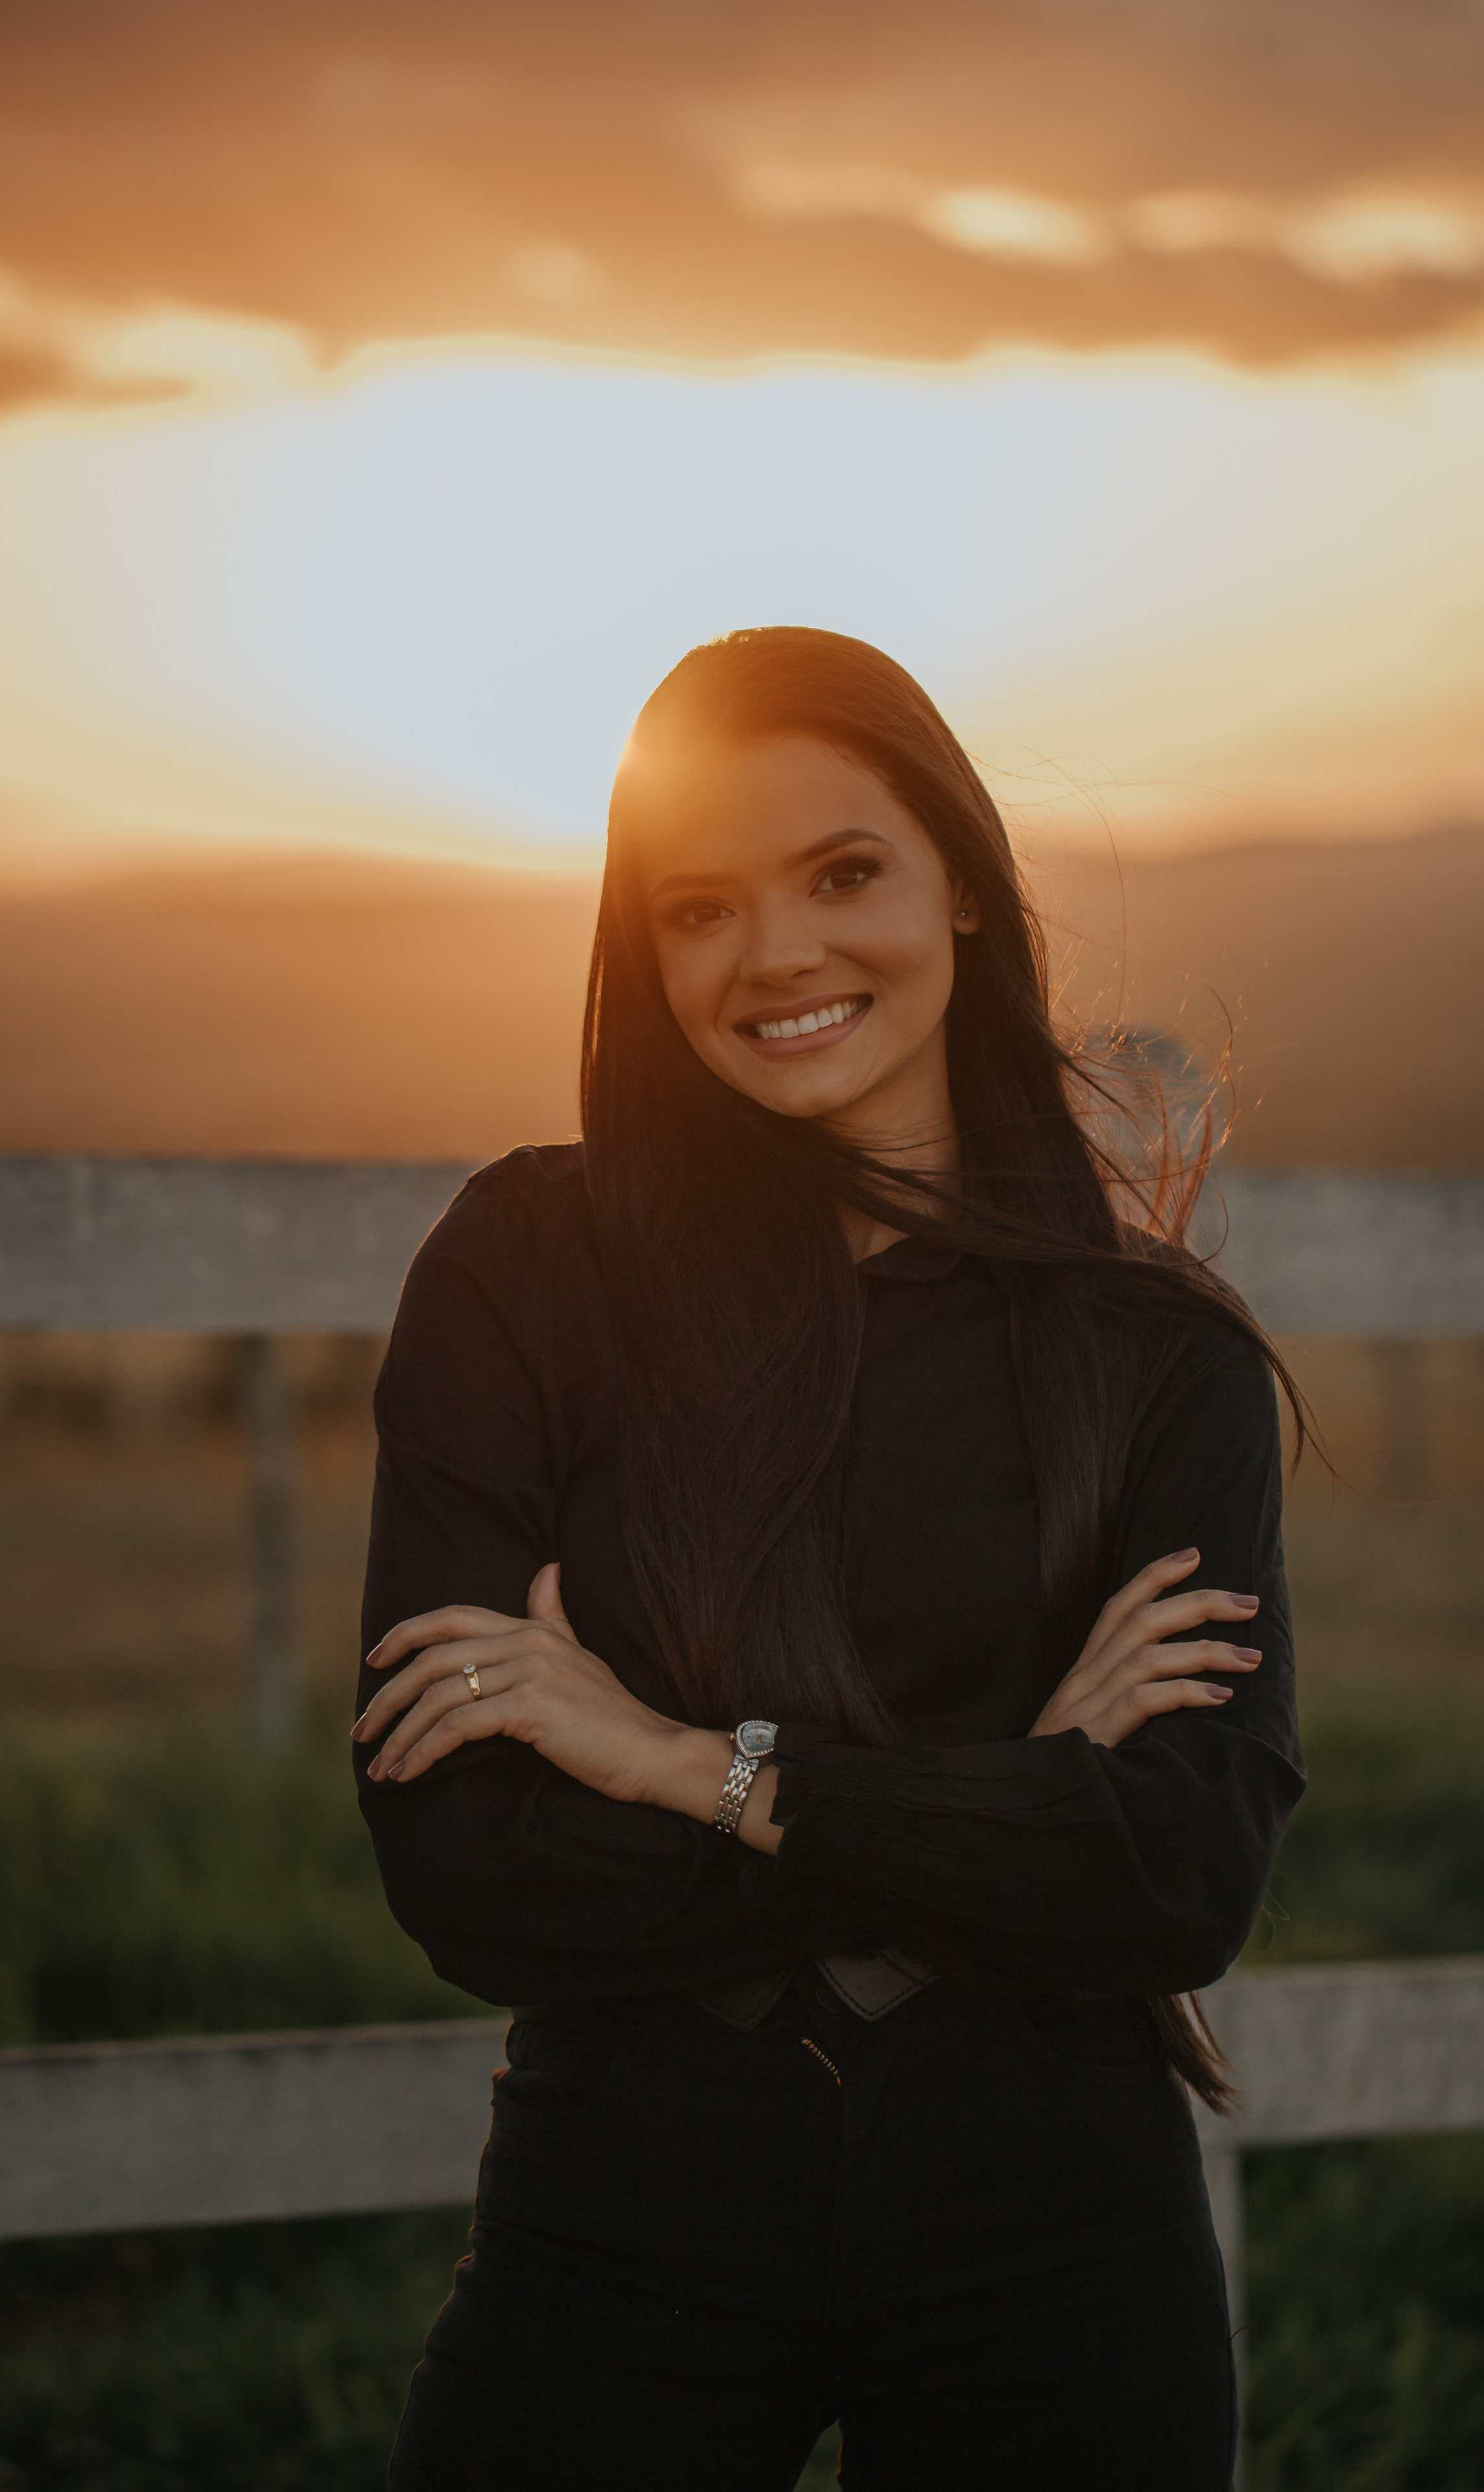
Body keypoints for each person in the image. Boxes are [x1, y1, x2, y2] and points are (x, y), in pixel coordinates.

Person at [352, 626, 1305, 2491]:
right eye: (700, 907)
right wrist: (1011, 1796)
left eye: (844, 873)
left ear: (957, 881)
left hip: (1055, 2215)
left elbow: (1182, 1873)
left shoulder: (1155, 1351)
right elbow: (470, 1869)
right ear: (646, 947)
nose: (776, 954)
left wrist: (690, 1764)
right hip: (622, 2206)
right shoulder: (525, 1274)